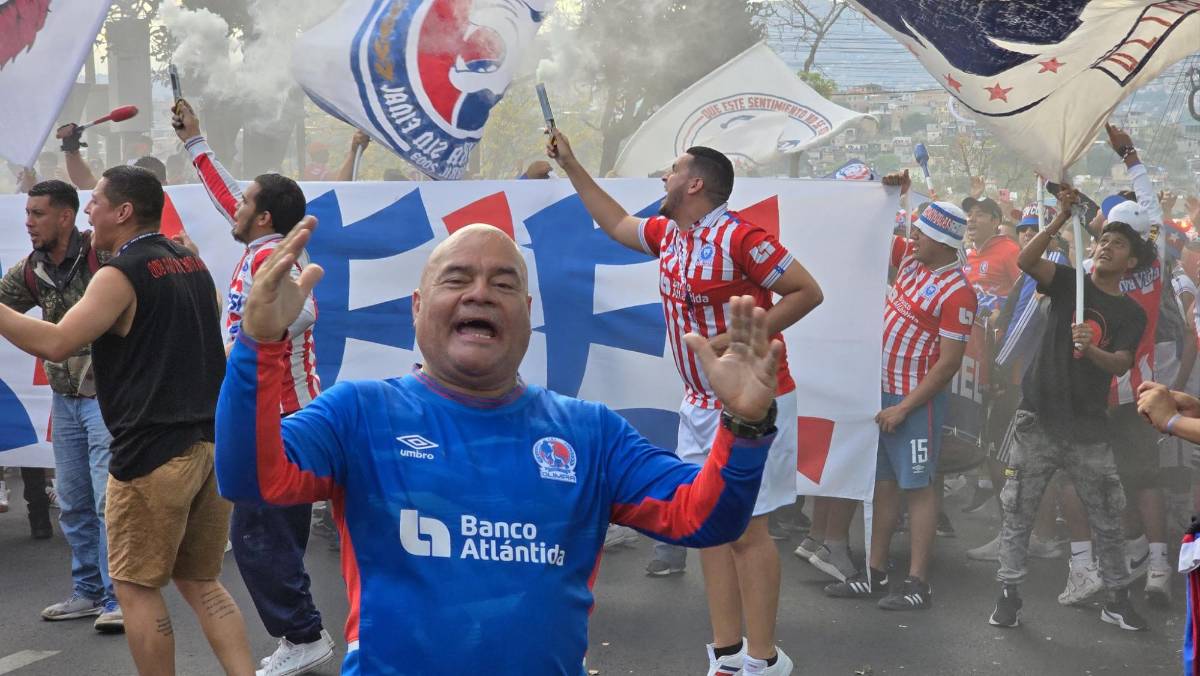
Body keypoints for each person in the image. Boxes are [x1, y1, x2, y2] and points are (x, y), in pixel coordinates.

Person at [216, 220, 781, 674]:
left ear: (529, 314)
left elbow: (704, 519)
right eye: (457, 279)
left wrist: (746, 426)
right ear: (417, 306)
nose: (480, 293)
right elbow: (252, 480)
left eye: (504, 283)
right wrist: (258, 345)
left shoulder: (590, 433)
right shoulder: (359, 413)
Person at [548, 128, 823, 676]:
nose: (663, 179)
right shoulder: (670, 234)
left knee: (750, 530)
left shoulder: (741, 237)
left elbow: (807, 291)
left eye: (671, 171)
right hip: (697, 402)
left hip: (756, 402)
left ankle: (764, 659)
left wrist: (743, 338)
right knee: (710, 525)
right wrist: (573, 165)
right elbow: (616, 223)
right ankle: (725, 654)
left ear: (695, 183)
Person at [0, 165, 255, 674]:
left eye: (95, 201)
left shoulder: (119, 274)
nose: (87, 211)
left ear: (123, 211)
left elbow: (56, 342)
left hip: (153, 452)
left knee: (135, 589)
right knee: (202, 582)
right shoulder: (188, 261)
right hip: (209, 444)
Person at [173, 100, 334, 676]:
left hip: (285, 423)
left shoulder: (280, 258)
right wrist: (195, 142)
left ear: (264, 217)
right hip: (270, 420)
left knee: (256, 534)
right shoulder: (260, 248)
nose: (233, 207)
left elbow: (305, 309)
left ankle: (304, 634)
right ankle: (303, 631)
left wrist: (272, 322)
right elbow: (225, 195)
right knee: (267, 535)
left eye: (246, 203)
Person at [987, 186, 1148, 632]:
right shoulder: (1068, 282)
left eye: (1118, 244)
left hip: (1088, 429)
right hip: (1038, 419)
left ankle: (1116, 597)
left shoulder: (1130, 313)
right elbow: (1025, 262)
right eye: (1102, 241)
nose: (1105, 248)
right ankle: (1009, 595)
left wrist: (1093, 350)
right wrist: (1057, 220)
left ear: (1131, 262)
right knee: (1018, 510)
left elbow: (1121, 364)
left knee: (1107, 516)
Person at [825, 181, 977, 611]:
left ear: (943, 242)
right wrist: (888, 192)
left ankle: (917, 584)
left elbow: (948, 364)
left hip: (914, 403)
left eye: (921, 234)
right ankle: (875, 575)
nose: (912, 238)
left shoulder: (959, 291)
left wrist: (905, 407)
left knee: (919, 488)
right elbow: (871, 230)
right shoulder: (911, 261)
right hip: (883, 393)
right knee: (883, 485)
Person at [0, 180, 122, 631]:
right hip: (66, 400)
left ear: (66, 217)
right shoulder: (33, 269)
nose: (28, 222)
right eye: (27, 213)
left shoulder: (105, 256)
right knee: (73, 502)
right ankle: (89, 592)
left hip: (109, 398)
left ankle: (119, 597)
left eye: (38, 214)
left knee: (111, 502)